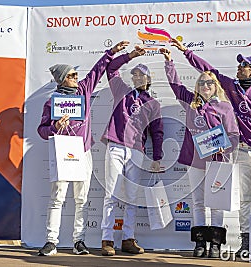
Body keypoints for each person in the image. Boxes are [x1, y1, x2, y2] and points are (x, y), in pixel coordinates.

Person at [169, 38, 251, 257]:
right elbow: (208, 69)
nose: (239, 67)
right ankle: (246, 242)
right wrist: (186, 51)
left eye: (244, 65)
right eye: (240, 64)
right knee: (244, 198)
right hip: (239, 151)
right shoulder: (230, 86)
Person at [37, 40, 129, 256]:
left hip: (83, 152)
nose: (76, 78)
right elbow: (41, 131)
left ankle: (79, 241)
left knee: (82, 199)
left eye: (76, 75)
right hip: (61, 151)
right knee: (57, 197)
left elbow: (98, 70)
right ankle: (51, 241)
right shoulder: (52, 102)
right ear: (61, 79)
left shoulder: (83, 91)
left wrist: (112, 52)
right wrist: (55, 126)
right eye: (71, 75)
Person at [159, 47, 239, 258]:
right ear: (198, 86)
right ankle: (200, 243)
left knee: (217, 203)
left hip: (217, 160)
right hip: (195, 161)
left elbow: (233, 135)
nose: (206, 85)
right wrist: (169, 63)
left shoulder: (225, 107)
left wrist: (226, 146)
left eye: (210, 82)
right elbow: (176, 86)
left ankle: (216, 244)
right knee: (198, 202)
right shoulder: (191, 103)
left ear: (216, 86)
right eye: (202, 82)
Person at [100, 44, 164, 256]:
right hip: (116, 146)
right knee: (111, 194)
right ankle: (107, 239)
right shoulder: (122, 91)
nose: (137, 77)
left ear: (149, 79)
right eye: (134, 74)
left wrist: (157, 157)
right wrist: (130, 55)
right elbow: (111, 69)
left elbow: (157, 132)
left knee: (132, 197)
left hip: (136, 152)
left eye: (141, 75)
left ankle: (128, 238)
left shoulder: (153, 103)